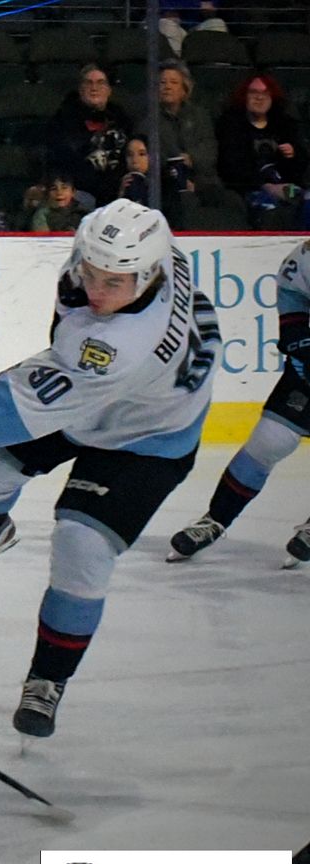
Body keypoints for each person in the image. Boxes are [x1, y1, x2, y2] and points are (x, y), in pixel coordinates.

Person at [0, 199, 220, 738]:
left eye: (112, 283)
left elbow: (6, 412)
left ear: (148, 273)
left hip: (149, 436)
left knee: (81, 546)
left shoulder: (118, 344)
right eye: (89, 272)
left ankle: (47, 680)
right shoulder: (147, 255)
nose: (96, 290)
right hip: (103, 396)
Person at [168, 238, 310, 567]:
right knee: (268, 442)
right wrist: (301, 345)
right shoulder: (302, 259)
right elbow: (293, 299)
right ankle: (215, 519)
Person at [216, 73, 308, 230]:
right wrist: (266, 186)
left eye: (265, 93)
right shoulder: (231, 125)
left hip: (288, 186)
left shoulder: (286, 125)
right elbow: (231, 168)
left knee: (305, 201)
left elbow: (301, 167)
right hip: (249, 188)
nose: (259, 97)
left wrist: (292, 155)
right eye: (254, 92)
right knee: (269, 207)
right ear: (245, 96)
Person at [45, 64, 134, 208]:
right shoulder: (63, 120)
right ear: (80, 90)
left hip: (118, 193)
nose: (94, 88)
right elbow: (61, 162)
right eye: (88, 83)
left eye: (100, 83)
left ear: (109, 90)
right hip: (79, 195)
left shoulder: (122, 120)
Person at [157, 59, 218, 228]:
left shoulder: (200, 116)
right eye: (162, 82)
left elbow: (210, 149)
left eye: (174, 82)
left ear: (185, 89)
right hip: (168, 186)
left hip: (203, 181)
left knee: (231, 201)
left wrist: (191, 158)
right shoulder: (149, 122)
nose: (167, 86)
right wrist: (177, 173)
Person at [118, 134, 150, 204]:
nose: (135, 160)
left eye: (142, 154)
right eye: (130, 155)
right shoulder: (118, 184)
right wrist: (121, 195)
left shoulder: (163, 185)